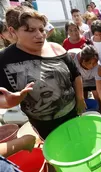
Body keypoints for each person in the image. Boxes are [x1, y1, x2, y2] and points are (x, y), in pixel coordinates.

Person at [0, 6, 86, 139]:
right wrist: (9, 102)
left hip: (72, 113)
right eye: (30, 30)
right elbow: (2, 98)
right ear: (13, 31)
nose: (40, 35)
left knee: (78, 141)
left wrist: (80, 99)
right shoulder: (5, 60)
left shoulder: (57, 49)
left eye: (41, 29)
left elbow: (76, 75)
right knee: (58, 152)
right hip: (44, 125)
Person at [68, 45, 101, 113]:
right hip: (78, 79)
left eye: (94, 63)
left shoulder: (98, 68)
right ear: (82, 60)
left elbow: (100, 88)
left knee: (98, 98)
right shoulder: (72, 59)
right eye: (89, 63)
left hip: (92, 79)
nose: (91, 66)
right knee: (81, 99)